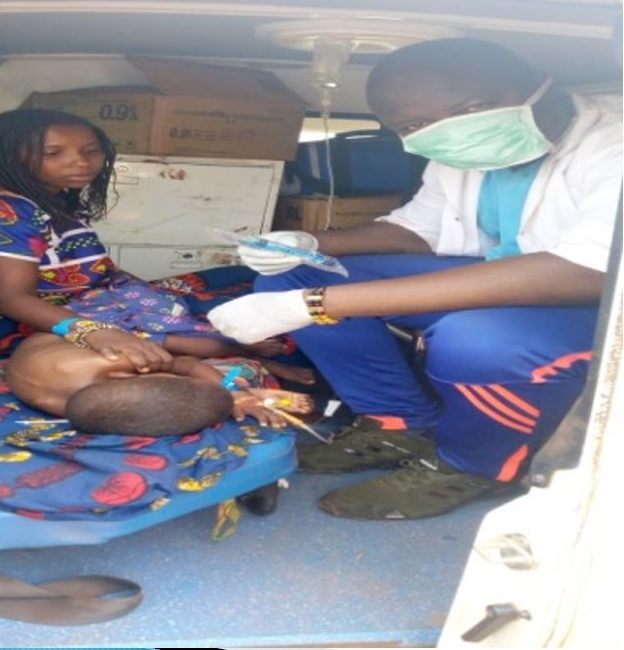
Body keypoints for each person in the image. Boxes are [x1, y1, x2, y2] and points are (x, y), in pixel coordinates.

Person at [208, 38, 621, 520]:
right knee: (295, 276)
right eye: (409, 127)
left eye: (467, 110)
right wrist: (309, 243)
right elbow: (420, 231)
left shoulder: (611, 144)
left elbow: (585, 270)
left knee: (476, 339)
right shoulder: (462, 151)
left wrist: (318, 304)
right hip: (515, 282)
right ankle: (398, 424)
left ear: (529, 86)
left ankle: (474, 467)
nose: (426, 136)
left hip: (599, 303)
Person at [0, 108, 286, 371]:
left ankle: (215, 337)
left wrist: (150, 295)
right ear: (8, 157)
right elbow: (12, 299)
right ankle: (235, 352)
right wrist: (96, 333)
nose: (80, 163)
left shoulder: (42, 197)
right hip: (17, 327)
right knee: (222, 336)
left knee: (243, 277)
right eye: (53, 153)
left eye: (90, 150)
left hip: (87, 298)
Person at [5, 331, 315, 435]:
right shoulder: (91, 407)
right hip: (49, 360)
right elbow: (179, 379)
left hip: (79, 335)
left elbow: (186, 364)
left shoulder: (115, 361)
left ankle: (256, 355)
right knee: (209, 356)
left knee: (207, 346)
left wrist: (235, 393)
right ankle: (258, 367)